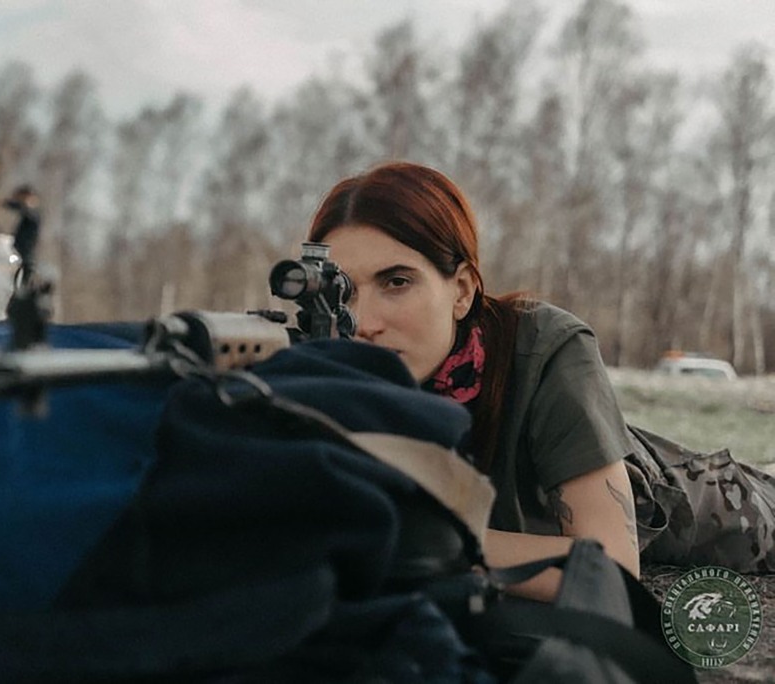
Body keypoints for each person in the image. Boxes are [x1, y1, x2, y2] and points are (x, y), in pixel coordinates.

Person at [307, 161, 775, 602]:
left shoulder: (542, 347)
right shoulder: (317, 372)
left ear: (463, 290)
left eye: (396, 282)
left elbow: (609, 568)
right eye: (342, 291)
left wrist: (426, 540)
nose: (363, 322)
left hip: (719, 509)